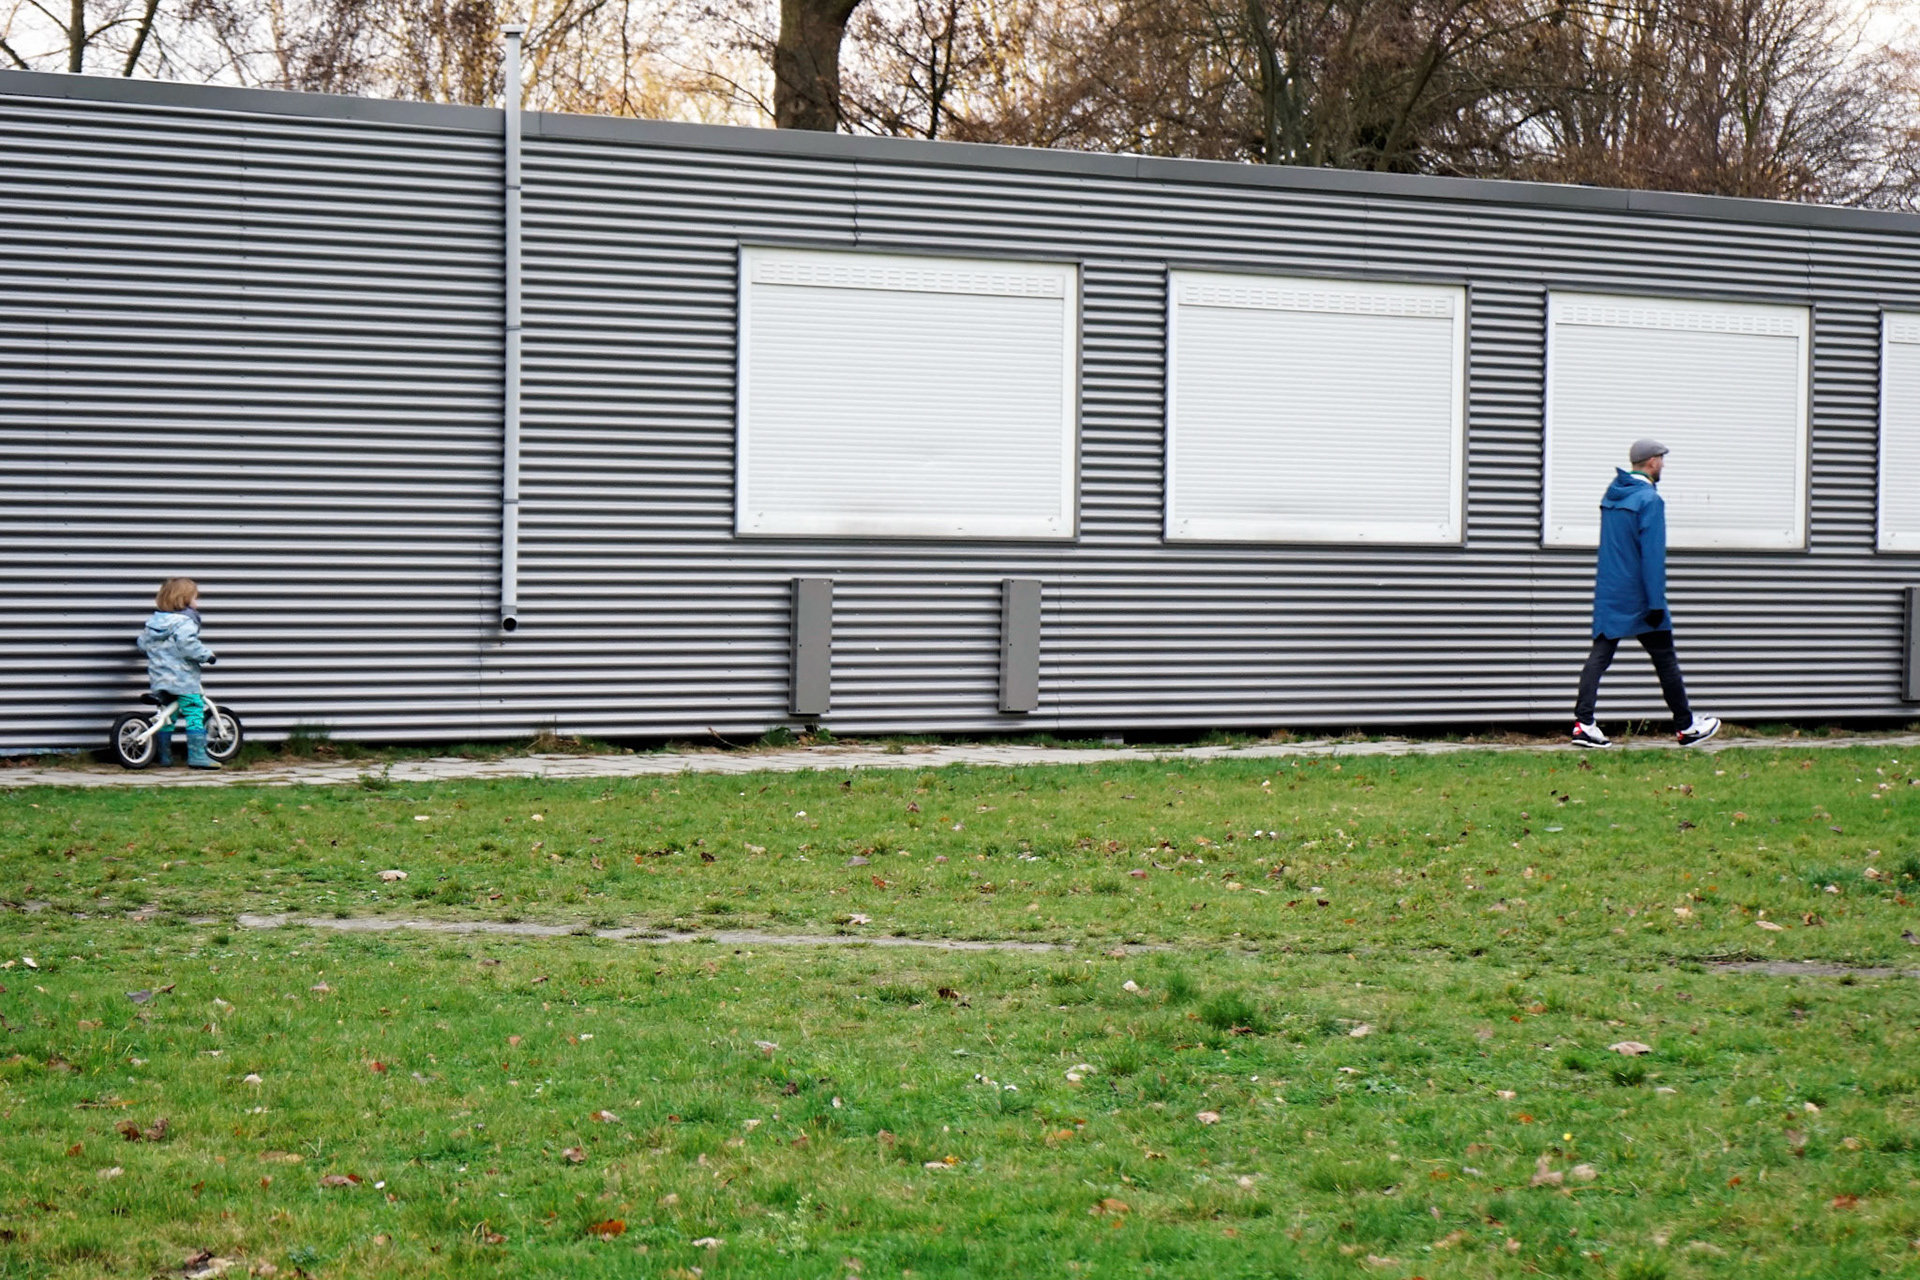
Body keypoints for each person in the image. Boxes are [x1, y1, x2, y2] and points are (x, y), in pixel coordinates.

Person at [1571, 440, 1720, 749]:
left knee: (1599, 656)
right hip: (1640, 597)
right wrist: (1655, 603)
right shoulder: (1649, 500)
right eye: (1661, 459)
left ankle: (1583, 724)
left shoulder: (1612, 495)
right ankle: (1686, 727)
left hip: (1610, 593)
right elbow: (1652, 557)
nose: (1663, 465)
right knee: (1665, 660)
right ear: (1652, 462)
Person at [137, 577, 220, 769]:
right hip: (183, 679)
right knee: (194, 712)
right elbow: (188, 645)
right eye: (195, 598)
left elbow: (142, 644)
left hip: (160, 679)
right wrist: (207, 655)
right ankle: (198, 756)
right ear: (184, 600)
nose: (197, 603)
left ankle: (164, 757)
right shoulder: (185, 622)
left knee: (167, 716)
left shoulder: (153, 623)